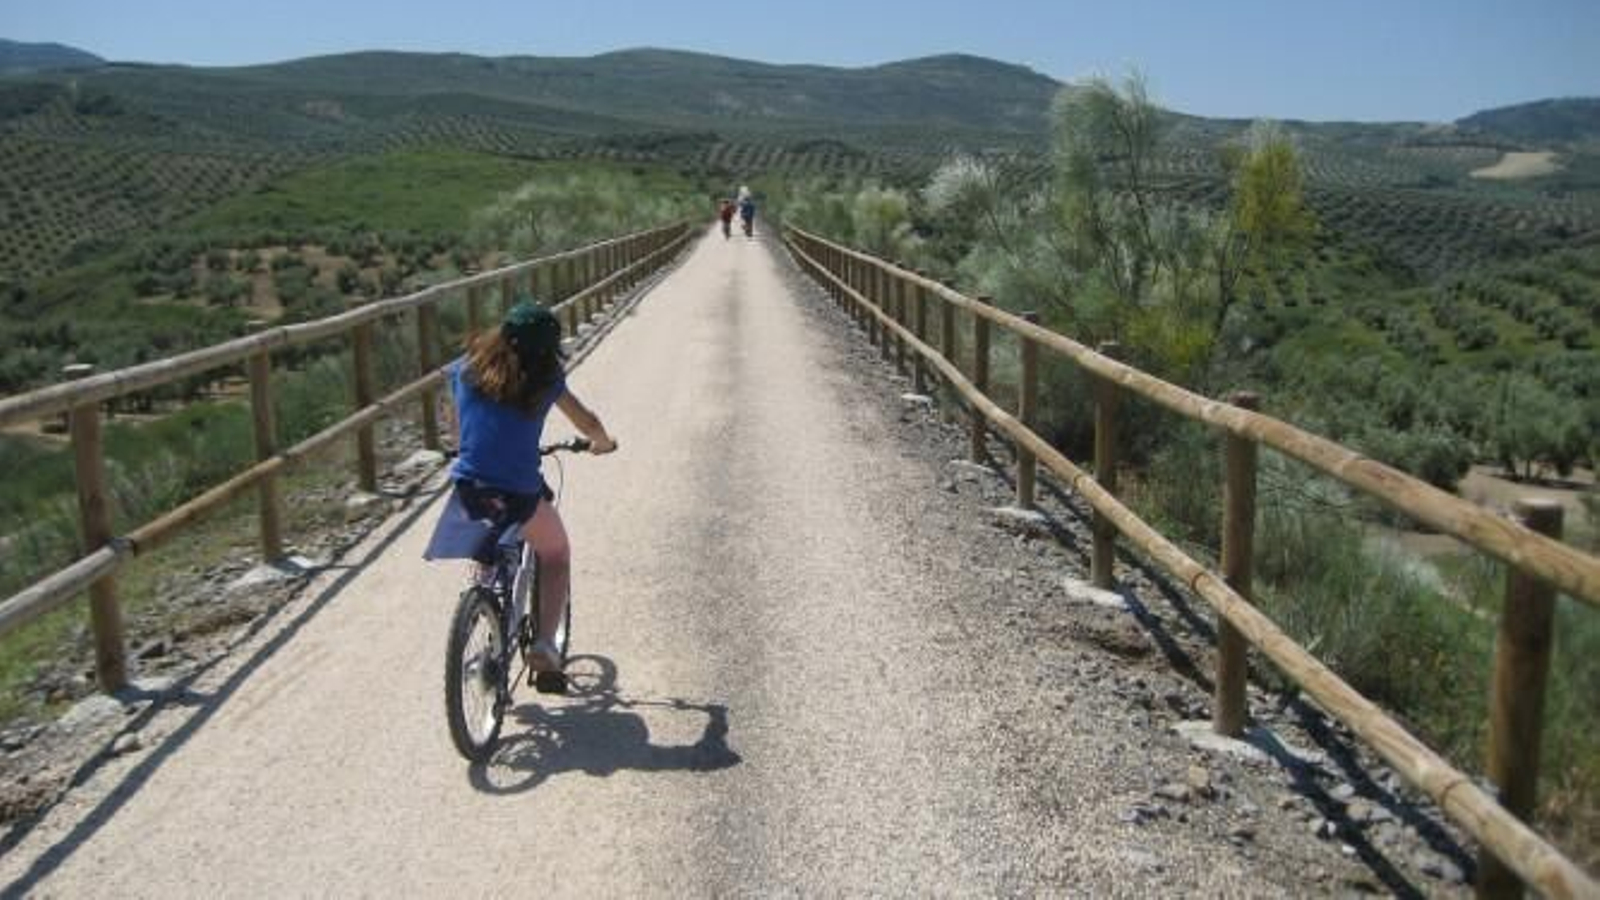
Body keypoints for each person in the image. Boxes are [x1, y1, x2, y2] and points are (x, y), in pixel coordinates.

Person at [424, 298, 617, 672]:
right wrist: (603, 443)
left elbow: (456, 421)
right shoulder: (545, 381)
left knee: (491, 536)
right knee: (556, 553)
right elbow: (588, 423)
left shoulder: (467, 369)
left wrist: (462, 445)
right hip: (518, 492)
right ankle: (544, 644)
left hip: (469, 482)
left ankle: (484, 588)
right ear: (548, 349)